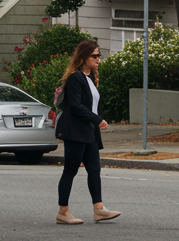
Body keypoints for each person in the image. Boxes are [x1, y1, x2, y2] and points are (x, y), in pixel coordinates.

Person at [55, 41, 120, 225]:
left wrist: (94, 121)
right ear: (83, 58)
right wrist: (97, 119)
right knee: (70, 170)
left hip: (89, 131)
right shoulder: (75, 78)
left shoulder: (89, 79)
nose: (98, 59)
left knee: (94, 169)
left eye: (99, 56)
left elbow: (90, 105)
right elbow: (75, 106)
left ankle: (99, 209)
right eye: (94, 56)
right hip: (76, 131)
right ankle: (63, 212)